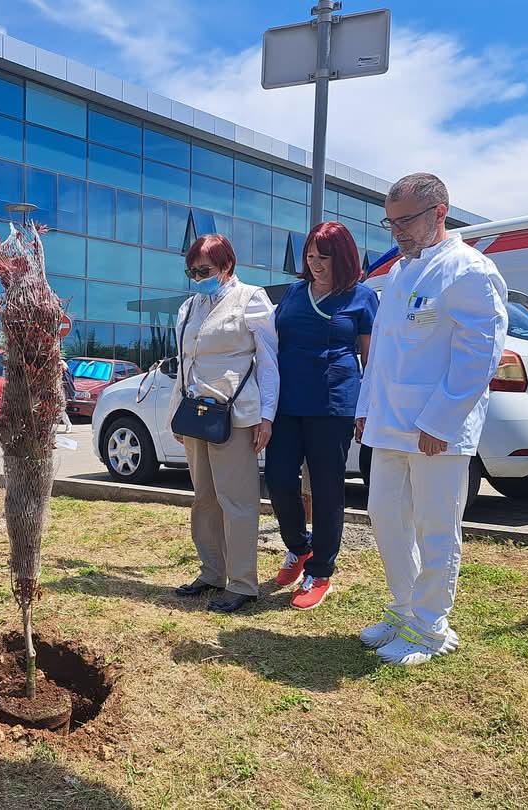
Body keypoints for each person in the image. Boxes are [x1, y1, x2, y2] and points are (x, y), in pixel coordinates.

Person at [357, 173, 507, 665]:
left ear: (439, 212)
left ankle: (431, 627)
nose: (396, 230)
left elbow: (478, 354)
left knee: (436, 525)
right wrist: (364, 409)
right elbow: (380, 354)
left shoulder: (468, 270)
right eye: (390, 221)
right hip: (389, 424)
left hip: (435, 430)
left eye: (405, 220)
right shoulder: (401, 273)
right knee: (385, 516)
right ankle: (403, 609)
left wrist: (440, 422)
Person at [265, 222, 379, 609]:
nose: (315, 264)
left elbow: (372, 359)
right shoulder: (295, 293)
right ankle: (300, 548)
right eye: (310, 256)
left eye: (324, 257)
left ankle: (321, 570)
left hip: (333, 404)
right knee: (279, 479)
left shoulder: (361, 297)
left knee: (328, 489)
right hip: (286, 402)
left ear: (343, 257)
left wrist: (367, 408)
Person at [171, 234, 279, 613]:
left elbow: (268, 361)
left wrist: (267, 415)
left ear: (226, 266)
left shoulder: (252, 299)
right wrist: (175, 412)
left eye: (204, 270)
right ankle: (212, 572)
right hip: (195, 413)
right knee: (204, 498)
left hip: (234, 415)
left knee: (238, 500)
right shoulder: (189, 307)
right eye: (192, 271)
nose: (197, 277)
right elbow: (185, 363)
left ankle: (243, 582)